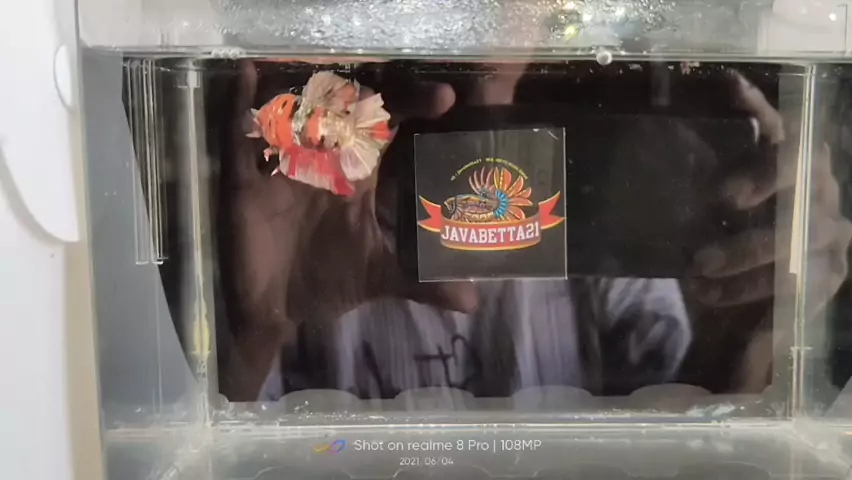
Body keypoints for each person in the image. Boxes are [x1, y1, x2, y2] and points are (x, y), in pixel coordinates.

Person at [216, 60, 852, 402]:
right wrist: (255, 328)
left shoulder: (611, 208)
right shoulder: (290, 203)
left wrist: (751, 350)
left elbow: (690, 433)